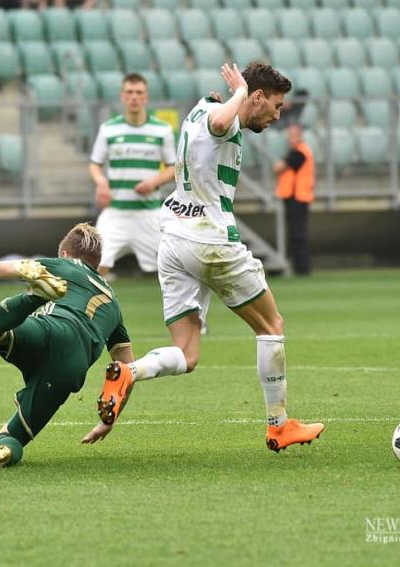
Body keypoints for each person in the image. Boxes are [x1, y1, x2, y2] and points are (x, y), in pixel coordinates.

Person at [83, 63, 325, 453]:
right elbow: (219, 123)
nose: (277, 115)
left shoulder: (197, 109)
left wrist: (234, 98)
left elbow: (212, 120)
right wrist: (239, 94)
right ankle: (279, 426)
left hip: (174, 241)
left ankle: (130, 371)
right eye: (276, 106)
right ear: (257, 97)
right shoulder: (223, 115)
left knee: (187, 353)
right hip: (212, 242)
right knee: (271, 325)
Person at [0, 223, 133, 471]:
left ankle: (36, 296)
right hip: (71, 369)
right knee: (14, 436)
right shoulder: (113, 305)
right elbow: (128, 369)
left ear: (65, 254)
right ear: (96, 263)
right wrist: (109, 418)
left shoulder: (64, 265)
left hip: (50, 331)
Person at [89, 73, 176, 276]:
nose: (134, 97)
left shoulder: (162, 130)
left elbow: (174, 167)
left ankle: (183, 308)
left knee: (173, 267)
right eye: (129, 92)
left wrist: (154, 181)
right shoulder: (108, 129)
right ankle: (90, 307)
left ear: (146, 97)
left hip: (150, 213)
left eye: (139, 93)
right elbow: (94, 164)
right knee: (95, 264)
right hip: (116, 211)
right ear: (122, 96)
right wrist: (101, 182)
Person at [274, 123, 314, 276]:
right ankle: (299, 267)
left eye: (294, 135)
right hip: (294, 197)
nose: (291, 139)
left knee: (298, 235)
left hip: (298, 197)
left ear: (300, 135)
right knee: (296, 234)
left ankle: (302, 269)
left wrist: (280, 165)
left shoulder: (300, 152)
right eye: (289, 136)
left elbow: (280, 166)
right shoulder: (297, 152)